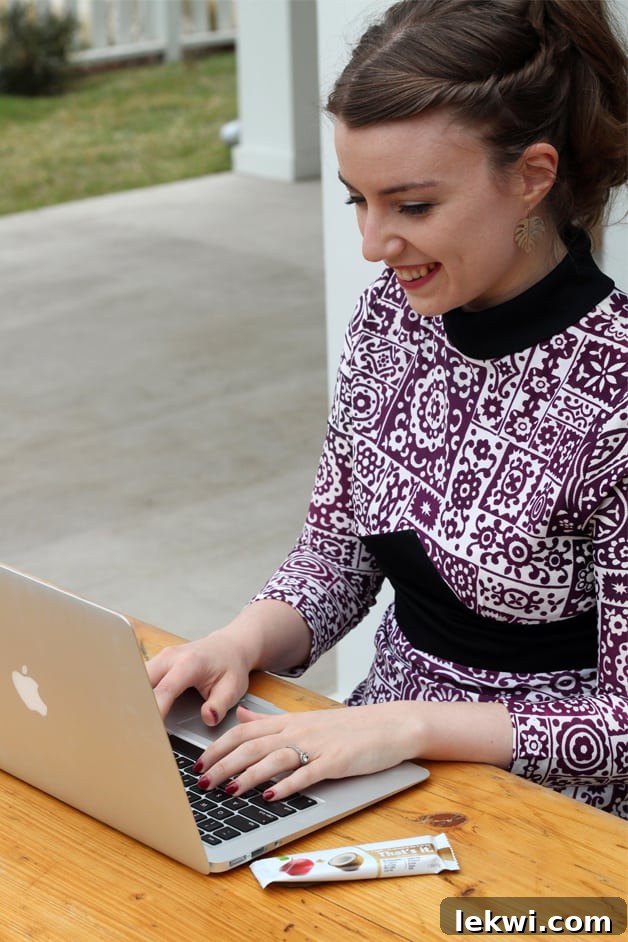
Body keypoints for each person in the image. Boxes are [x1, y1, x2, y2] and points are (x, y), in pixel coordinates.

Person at [147, 0, 628, 817]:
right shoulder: (391, 320)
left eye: (411, 207)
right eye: (356, 201)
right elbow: (340, 552)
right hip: (363, 764)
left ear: (531, 178)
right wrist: (241, 640)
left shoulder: (615, 392)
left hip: (555, 817)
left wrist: (408, 729)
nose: (373, 244)